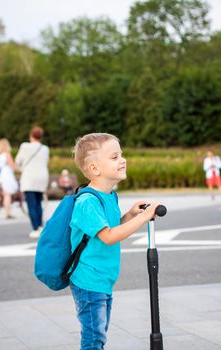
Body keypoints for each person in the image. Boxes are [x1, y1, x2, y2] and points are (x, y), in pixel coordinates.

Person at [70, 133, 159, 350]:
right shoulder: (87, 201)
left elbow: (108, 228)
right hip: (88, 280)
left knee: (98, 334)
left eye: (121, 154)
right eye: (114, 157)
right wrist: (142, 218)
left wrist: (129, 215)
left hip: (102, 279)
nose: (122, 160)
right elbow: (108, 237)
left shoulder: (109, 196)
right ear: (94, 168)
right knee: (94, 339)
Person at [15, 126, 49, 238]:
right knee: (38, 203)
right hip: (42, 178)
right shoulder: (45, 149)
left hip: (29, 178)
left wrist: (22, 170)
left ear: (31, 136)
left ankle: (35, 228)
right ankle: (40, 226)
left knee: (31, 204)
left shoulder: (24, 146)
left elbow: (18, 161)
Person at [0, 138, 19, 219]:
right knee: (8, 194)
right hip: (6, 176)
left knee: (4, 193)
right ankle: (8, 214)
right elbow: (13, 166)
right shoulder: (6, 154)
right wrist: (19, 169)